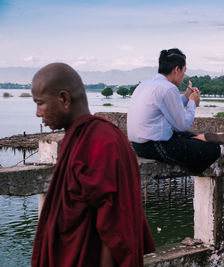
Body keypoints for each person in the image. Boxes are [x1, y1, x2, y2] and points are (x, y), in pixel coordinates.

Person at [30, 63, 155, 267]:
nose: (37, 113)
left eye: (40, 103)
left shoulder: (102, 142)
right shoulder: (77, 136)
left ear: (64, 99)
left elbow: (115, 231)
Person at [127, 48, 224, 173]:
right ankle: (199, 139)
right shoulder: (168, 88)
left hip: (138, 145)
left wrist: (187, 96)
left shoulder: (145, 84)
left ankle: (198, 137)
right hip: (155, 146)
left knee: (179, 134)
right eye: (184, 71)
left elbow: (170, 107)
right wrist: (192, 102)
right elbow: (182, 125)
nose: (184, 76)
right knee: (215, 150)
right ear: (177, 70)